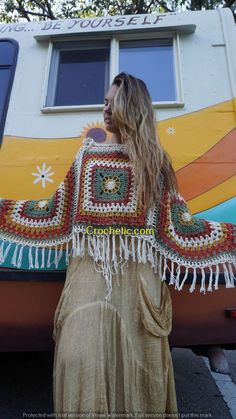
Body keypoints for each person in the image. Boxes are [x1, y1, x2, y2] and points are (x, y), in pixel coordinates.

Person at [0, 73, 235, 417]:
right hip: (88, 283)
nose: (105, 109)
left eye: (113, 103)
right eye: (105, 102)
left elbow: (180, 225)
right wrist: (5, 209)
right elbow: (55, 211)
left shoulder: (155, 163)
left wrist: (229, 236)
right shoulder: (86, 158)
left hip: (139, 289)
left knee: (141, 372)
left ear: (132, 107)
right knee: (79, 360)